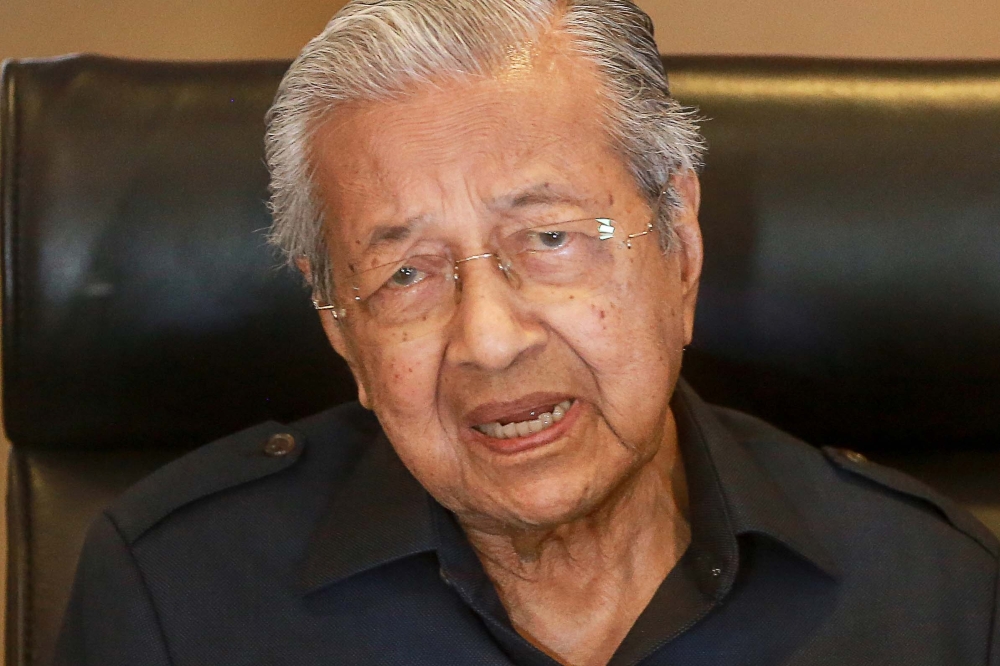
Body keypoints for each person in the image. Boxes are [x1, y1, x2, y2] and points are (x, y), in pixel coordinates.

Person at [54, 1, 999, 664]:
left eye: (549, 239)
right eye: (406, 274)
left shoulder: (933, 597)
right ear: (339, 325)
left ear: (680, 245)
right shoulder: (177, 597)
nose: (490, 340)